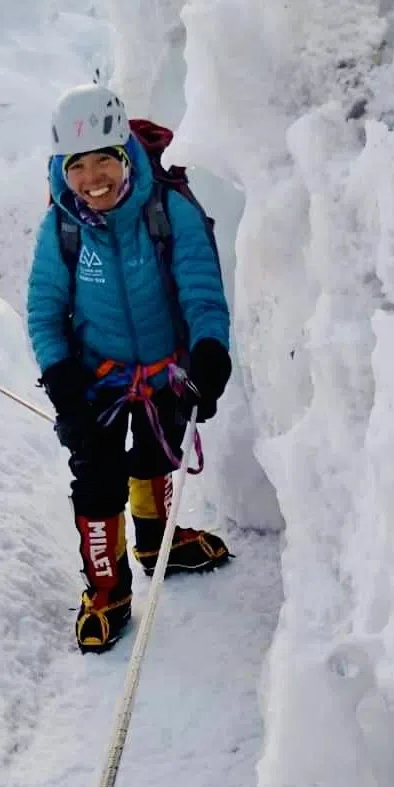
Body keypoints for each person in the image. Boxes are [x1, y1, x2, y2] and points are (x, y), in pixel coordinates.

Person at [27, 83, 233, 654]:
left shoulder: (169, 210)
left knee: (153, 454)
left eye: (104, 161)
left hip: (164, 370)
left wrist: (210, 354)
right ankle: (107, 588)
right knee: (95, 477)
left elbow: (200, 290)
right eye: (78, 166)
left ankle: (153, 545)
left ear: (126, 157)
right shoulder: (62, 227)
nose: (93, 178)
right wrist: (61, 377)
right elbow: (45, 309)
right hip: (96, 379)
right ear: (60, 170)